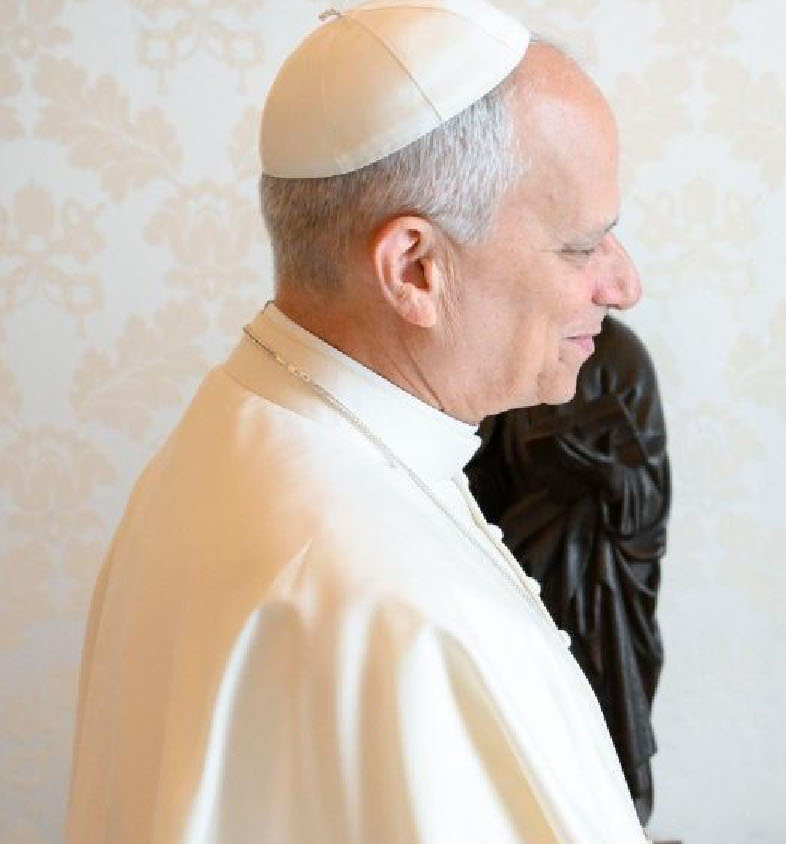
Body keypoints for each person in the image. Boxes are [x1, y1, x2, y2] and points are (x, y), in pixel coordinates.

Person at [65, 0, 649, 839]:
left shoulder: (238, 431)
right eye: (581, 245)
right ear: (415, 267)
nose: (623, 285)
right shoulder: (402, 605)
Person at [467, 317, 671, 824]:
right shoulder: (504, 350)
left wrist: (594, 465)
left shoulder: (622, 358)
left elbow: (647, 502)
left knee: (604, 721)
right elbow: (476, 477)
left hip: (605, 590)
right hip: (518, 571)